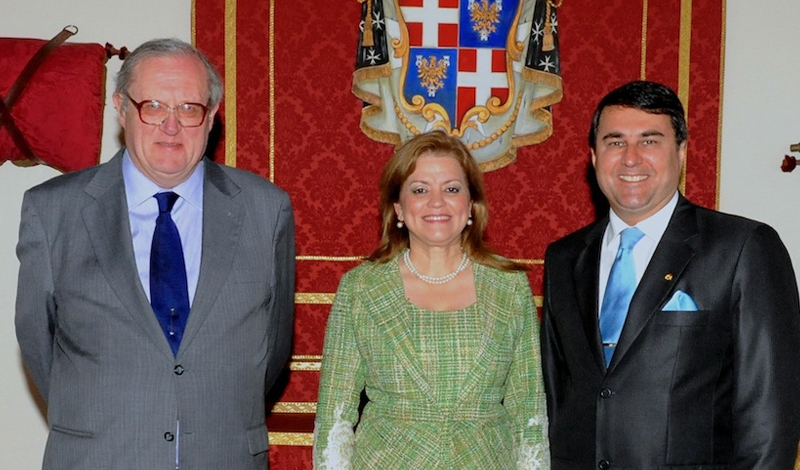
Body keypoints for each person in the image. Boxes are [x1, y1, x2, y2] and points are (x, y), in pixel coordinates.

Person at [15, 38, 295, 470]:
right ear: (120, 107)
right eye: (153, 106)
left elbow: (272, 351)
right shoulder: (53, 211)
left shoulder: (266, 208)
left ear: (212, 116)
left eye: (188, 108)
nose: (171, 125)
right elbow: (39, 344)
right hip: (99, 457)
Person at [540, 80, 800, 469]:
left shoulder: (742, 248)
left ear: (680, 151)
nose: (630, 158)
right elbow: (558, 401)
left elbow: (770, 412)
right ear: (593, 157)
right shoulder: (563, 258)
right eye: (614, 141)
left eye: (649, 141)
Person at [312, 131, 549, 469]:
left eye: (451, 189)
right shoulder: (361, 288)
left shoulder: (509, 288)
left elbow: (528, 414)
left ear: (471, 205)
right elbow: (335, 416)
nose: (436, 202)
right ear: (398, 209)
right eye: (420, 190)